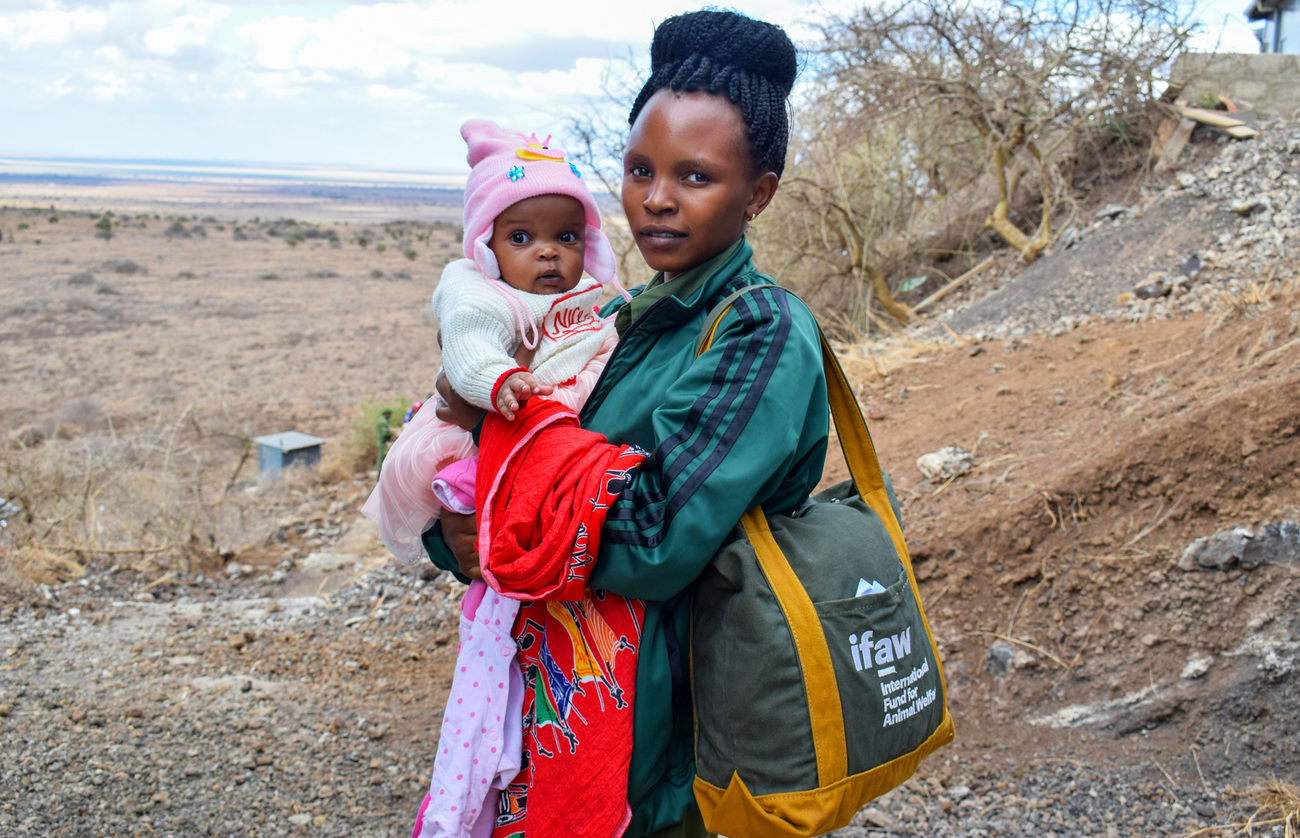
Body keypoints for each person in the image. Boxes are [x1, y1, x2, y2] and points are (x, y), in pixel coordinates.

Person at [428, 10, 829, 838]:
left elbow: (649, 538)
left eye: (695, 177)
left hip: (673, 764)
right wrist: (460, 519)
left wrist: (505, 504)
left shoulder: (759, 332)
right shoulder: (616, 318)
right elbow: (473, 504)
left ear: (758, 193)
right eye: (639, 168)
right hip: (559, 720)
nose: (654, 200)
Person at [362, 119, 628, 565]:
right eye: (521, 237)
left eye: (567, 236)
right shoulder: (477, 290)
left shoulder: (579, 299)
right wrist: (498, 377)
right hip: (481, 422)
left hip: (539, 439)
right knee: (482, 532)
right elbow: (469, 341)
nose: (548, 251)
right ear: (486, 245)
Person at [375, 409, 393, 475]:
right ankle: (380, 475)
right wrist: (391, 432)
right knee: (382, 460)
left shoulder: (384, 421)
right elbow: (385, 434)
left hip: (382, 443)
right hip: (383, 444)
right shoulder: (383, 422)